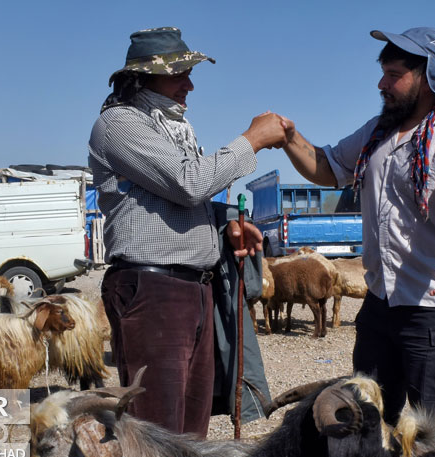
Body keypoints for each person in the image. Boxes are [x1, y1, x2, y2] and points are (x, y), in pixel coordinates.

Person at [276, 27, 435, 435]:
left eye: (394, 74)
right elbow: (327, 167)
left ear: (428, 78)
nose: (382, 84)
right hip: (380, 307)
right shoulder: (378, 134)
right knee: (369, 425)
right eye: (383, 73)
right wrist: (289, 138)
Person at [88, 27, 286, 436]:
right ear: (144, 77)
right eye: (178, 74)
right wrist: (252, 141)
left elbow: (177, 199)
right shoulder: (120, 124)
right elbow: (189, 182)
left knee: (192, 427)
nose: (189, 84)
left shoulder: (174, 128)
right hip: (154, 290)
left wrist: (226, 223)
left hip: (193, 289)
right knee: (158, 427)